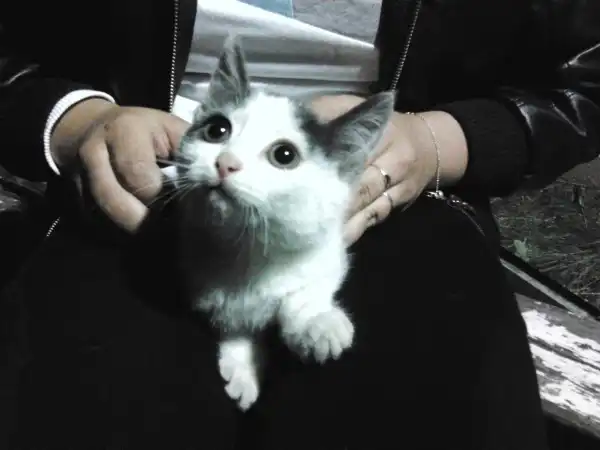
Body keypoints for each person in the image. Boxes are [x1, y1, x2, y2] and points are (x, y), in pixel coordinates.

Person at [1, 0, 599, 448]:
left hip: (391, 189)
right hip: (141, 184)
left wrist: (440, 139)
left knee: (429, 407)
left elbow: (586, 81)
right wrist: (75, 120)